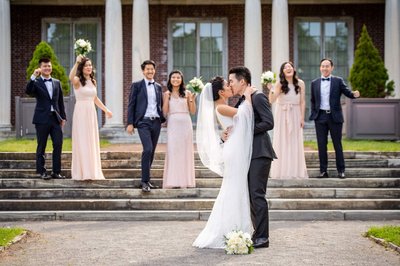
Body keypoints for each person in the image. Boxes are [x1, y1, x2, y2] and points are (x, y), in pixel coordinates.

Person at [193, 76, 254, 249]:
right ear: (221, 92)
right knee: (234, 188)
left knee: (236, 187)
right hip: (233, 151)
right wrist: (248, 94)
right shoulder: (221, 107)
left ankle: (239, 228)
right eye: (228, 85)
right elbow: (245, 113)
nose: (230, 87)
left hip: (234, 146)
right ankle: (229, 229)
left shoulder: (223, 106)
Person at [228, 66, 275, 249]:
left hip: (260, 153)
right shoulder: (242, 101)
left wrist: (245, 131)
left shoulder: (258, 97)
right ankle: (258, 234)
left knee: (257, 195)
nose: (230, 84)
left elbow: (268, 122)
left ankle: (263, 237)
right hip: (248, 154)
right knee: (251, 195)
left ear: (242, 81)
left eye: (232, 81)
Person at [309, 58, 360, 179]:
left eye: (327, 66)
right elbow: (312, 100)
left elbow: (347, 92)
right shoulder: (314, 83)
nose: (325, 68)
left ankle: (341, 171)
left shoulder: (338, 81)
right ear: (320, 68)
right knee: (321, 145)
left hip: (334, 117)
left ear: (332, 68)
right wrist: (314, 113)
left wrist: (354, 94)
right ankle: (323, 171)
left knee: (337, 144)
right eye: (322, 66)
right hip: (320, 117)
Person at [69, 55, 112, 181]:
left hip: (91, 112)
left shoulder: (93, 81)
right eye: (86, 65)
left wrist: (106, 110)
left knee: (91, 140)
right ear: (82, 68)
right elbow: (71, 77)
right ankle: (82, 172)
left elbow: (95, 98)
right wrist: (76, 63)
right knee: (82, 140)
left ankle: (92, 171)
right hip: (81, 112)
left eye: (90, 65)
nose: (89, 67)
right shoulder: (77, 80)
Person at [127, 60, 166, 192]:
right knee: (147, 149)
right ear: (143, 71)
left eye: (152, 69)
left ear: (154, 70)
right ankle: (144, 181)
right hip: (143, 122)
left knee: (152, 151)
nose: (150, 71)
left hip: (156, 121)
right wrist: (130, 123)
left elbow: (159, 104)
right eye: (147, 69)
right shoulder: (136, 85)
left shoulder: (159, 87)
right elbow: (131, 104)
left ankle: (147, 179)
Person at [26, 57, 67, 180]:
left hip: (55, 119)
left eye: (49, 66)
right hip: (41, 119)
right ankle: (42, 171)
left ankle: (56, 172)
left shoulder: (57, 82)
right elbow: (28, 91)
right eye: (45, 66)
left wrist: (63, 117)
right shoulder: (36, 82)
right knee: (41, 145)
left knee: (58, 144)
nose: (47, 68)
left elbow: (60, 102)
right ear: (40, 67)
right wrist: (33, 76)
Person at [269, 61, 308, 179]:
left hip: (296, 113)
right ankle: (282, 171)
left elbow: (302, 101)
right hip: (282, 114)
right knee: (282, 141)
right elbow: (272, 100)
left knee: (294, 142)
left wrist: (302, 117)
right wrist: (271, 89)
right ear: (282, 71)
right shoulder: (279, 84)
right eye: (285, 67)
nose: (288, 68)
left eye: (290, 66)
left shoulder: (300, 83)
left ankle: (295, 171)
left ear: (294, 69)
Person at [162, 70, 196, 189]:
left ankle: (185, 181)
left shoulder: (187, 93)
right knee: (173, 150)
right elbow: (165, 112)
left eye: (178, 77)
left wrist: (191, 99)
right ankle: (173, 180)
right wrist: (166, 98)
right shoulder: (167, 94)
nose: (175, 79)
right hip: (173, 124)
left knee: (185, 151)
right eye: (173, 77)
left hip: (185, 123)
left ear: (181, 80)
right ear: (170, 80)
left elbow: (192, 111)